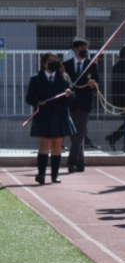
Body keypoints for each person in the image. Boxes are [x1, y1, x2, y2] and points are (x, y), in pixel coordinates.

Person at [26, 52, 75, 184]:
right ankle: (41, 174)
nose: (53, 62)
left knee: (57, 146)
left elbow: (72, 97)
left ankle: (55, 175)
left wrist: (69, 94)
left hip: (60, 115)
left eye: (55, 60)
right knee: (44, 145)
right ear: (44, 63)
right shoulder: (36, 79)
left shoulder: (64, 77)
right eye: (50, 60)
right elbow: (29, 97)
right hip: (43, 116)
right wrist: (37, 101)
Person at [64, 37, 100, 172]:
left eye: (87, 48)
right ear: (76, 49)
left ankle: (71, 161)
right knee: (73, 133)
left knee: (80, 131)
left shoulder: (92, 64)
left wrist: (93, 84)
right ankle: (80, 162)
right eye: (82, 48)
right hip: (70, 102)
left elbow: (97, 81)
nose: (85, 51)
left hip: (85, 103)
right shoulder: (66, 65)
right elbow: (62, 82)